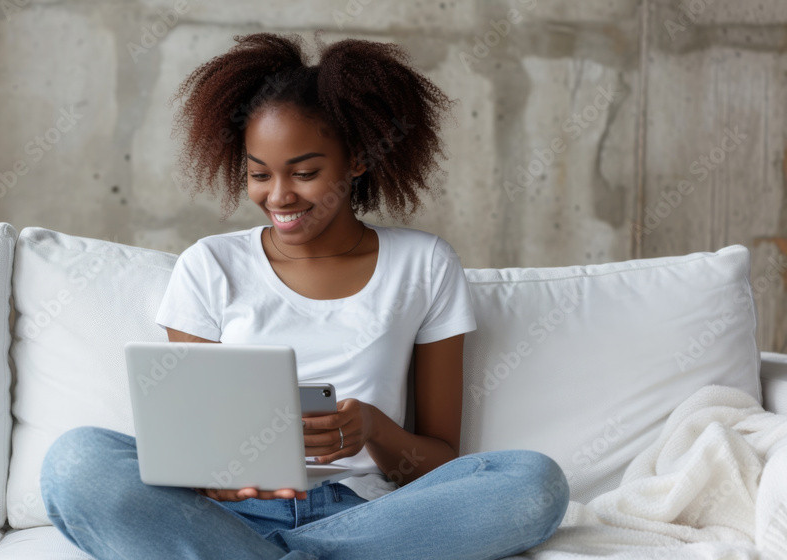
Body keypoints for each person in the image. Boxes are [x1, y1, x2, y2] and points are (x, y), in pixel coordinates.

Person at [40, 31, 569, 559]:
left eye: (305, 172)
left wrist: (372, 429)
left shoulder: (424, 264)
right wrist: (216, 476)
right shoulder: (211, 264)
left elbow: (440, 462)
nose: (279, 196)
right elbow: (194, 449)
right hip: (229, 518)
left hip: (367, 516)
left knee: (533, 482)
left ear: (357, 159)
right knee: (74, 462)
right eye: (258, 174)